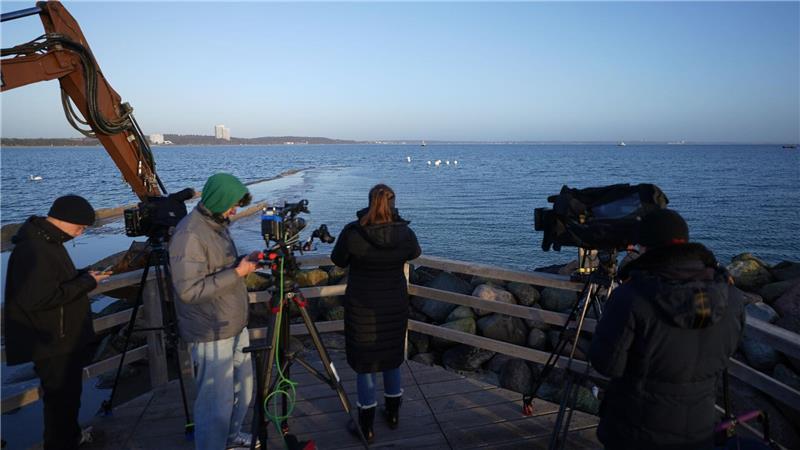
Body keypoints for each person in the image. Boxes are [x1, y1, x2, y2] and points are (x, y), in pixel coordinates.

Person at [589, 209, 745, 450]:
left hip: (635, 431)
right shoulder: (731, 297)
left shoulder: (632, 297)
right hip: (699, 430)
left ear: (645, 247)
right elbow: (726, 352)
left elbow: (607, 364)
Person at [3, 195, 110, 450]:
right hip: (52, 342)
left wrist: (83, 275)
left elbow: (54, 281)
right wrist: (86, 283)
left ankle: (71, 439)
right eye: (80, 228)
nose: (80, 234)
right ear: (65, 220)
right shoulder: (34, 249)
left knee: (67, 401)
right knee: (60, 405)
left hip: (60, 337)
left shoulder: (47, 241)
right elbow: (39, 298)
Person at [169, 173, 260, 450]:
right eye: (232, 204)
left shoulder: (217, 225)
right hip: (209, 330)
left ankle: (231, 438)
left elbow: (220, 269)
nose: (235, 210)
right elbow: (189, 291)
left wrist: (243, 263)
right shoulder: (189, 234)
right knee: (214, 403)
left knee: (243, 392)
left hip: (233, 324)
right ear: (218, 199)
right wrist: (238, 273)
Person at [330, 184, 421, 443]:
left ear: (370, 202)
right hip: (393, 303)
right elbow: (415, 253)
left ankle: (366, 425)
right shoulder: (404, 232)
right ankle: (393, 415)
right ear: (393, 203)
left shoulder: (354, 232)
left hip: (362, 304)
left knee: (365, 363)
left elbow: (338, 260)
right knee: (392, 358)